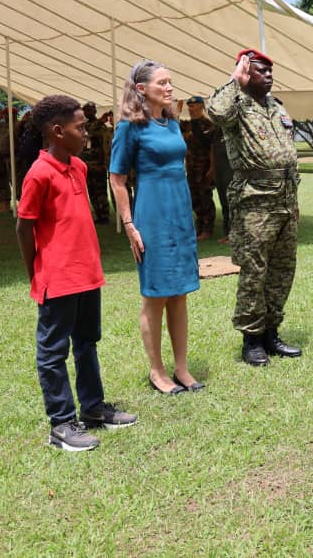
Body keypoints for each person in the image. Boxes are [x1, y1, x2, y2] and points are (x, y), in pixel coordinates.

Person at [16, 94, 137, 451]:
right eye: (79, 128)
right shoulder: (39, 174)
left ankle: (93, 408)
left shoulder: (79, 167)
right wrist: (35, 272)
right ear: (56, 131)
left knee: (87, 343)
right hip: (58, 278)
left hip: (87, 275)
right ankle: (61, 424)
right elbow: (24, 228)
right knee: (53, 352)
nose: (85, 134)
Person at [109, 60, 203, 394]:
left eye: (170, 82)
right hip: (151, 213)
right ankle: (157, 371)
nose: (169, 88)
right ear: (141, 89)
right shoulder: (129, 127)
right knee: (156, 296)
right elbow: (117, 179)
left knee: (179, 294)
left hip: (179, 211)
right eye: (162, 83)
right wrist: (129, 224)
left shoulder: (173, 123)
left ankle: (181, 368)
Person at [207, 50, 303, 366]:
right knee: (254, 270)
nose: (269, 75)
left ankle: (272, 332)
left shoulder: (276, 106)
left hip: (286, 198)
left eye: (271, 71)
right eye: (260, 70)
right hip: (255, 199)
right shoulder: (236, 104)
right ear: (246, 73)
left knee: (282, 268)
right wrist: (236, 79)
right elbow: (216, 113)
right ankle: (251, 339)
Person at [181, 96, 216, 240]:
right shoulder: (186, 125)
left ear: (202, 106)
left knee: (205, 198)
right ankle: (199, 227)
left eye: (194, 105)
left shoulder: (208, 125)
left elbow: (213, 148)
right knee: (194, 199)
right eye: (189, 106)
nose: (191, 108)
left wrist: (212, 169)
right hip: (191, 168)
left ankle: (208, 229)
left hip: (204, 168)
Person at [80, 103, 112, 225]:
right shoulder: (86, 125)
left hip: (97, 164)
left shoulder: (101, 126)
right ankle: (98, 215)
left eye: (89, 110)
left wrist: (99, 122)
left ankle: (105, 216)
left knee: (101, 191)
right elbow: (86, 133)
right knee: (91, 191)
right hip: (86, 163)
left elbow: (95, 135)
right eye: (86, 111)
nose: (87, 113)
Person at [210, 121, 233, 243]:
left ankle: (234, 234)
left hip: (231, 173)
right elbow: (213, 150)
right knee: (223, 202)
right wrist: (212, 169)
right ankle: (227, 232)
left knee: (231, 203)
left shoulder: (234, 129)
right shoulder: (217, 131)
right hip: (220, 173)